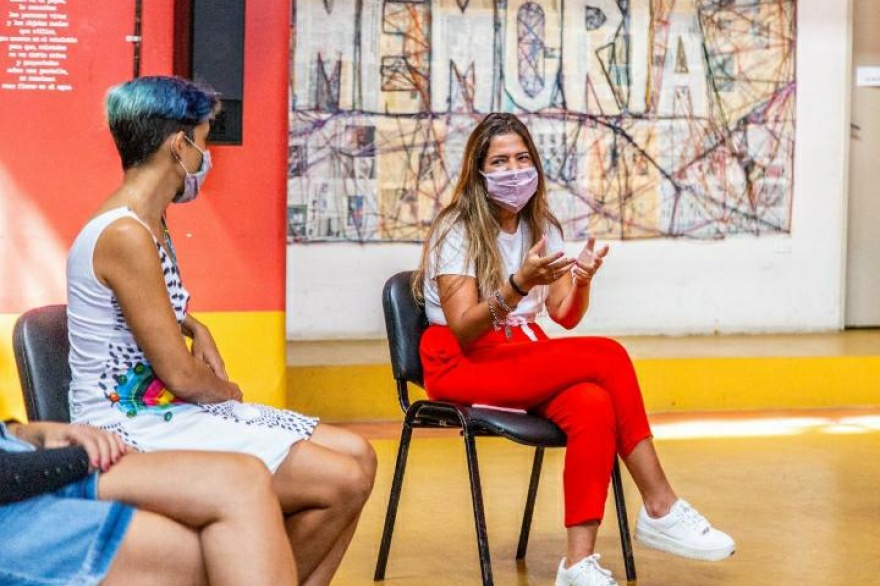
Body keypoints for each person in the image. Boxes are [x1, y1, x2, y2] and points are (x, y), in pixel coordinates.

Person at [65, 76, 376, 586]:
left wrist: (195, 323)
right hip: (133, 420)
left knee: (359, 455)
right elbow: (182, 377)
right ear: (178, 144)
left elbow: (146, 304)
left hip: (165, 410)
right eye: (205, 140)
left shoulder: (148, 221)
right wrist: (230, 395)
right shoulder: (123, 233)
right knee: (342, 480)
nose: (207, 156)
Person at [413, 113, 735, 586]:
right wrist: (519, 283)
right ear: (478, 173)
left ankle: (577, 565)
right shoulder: (457, 229)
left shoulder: (539, 223)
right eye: (499, 161)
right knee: (608, 356)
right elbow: (462, 327)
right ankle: (661, 505)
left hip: (520, 353)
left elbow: (564, 314)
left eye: (522, 158)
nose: (514, 169)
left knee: (593, 403)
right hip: (462, 360)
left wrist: (580, 281)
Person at [0, 418, 297, 586]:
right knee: (204, 551)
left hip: (18, 459)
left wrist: (34, 431)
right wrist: (76, 459)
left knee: (244, 480)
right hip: (12, 493)